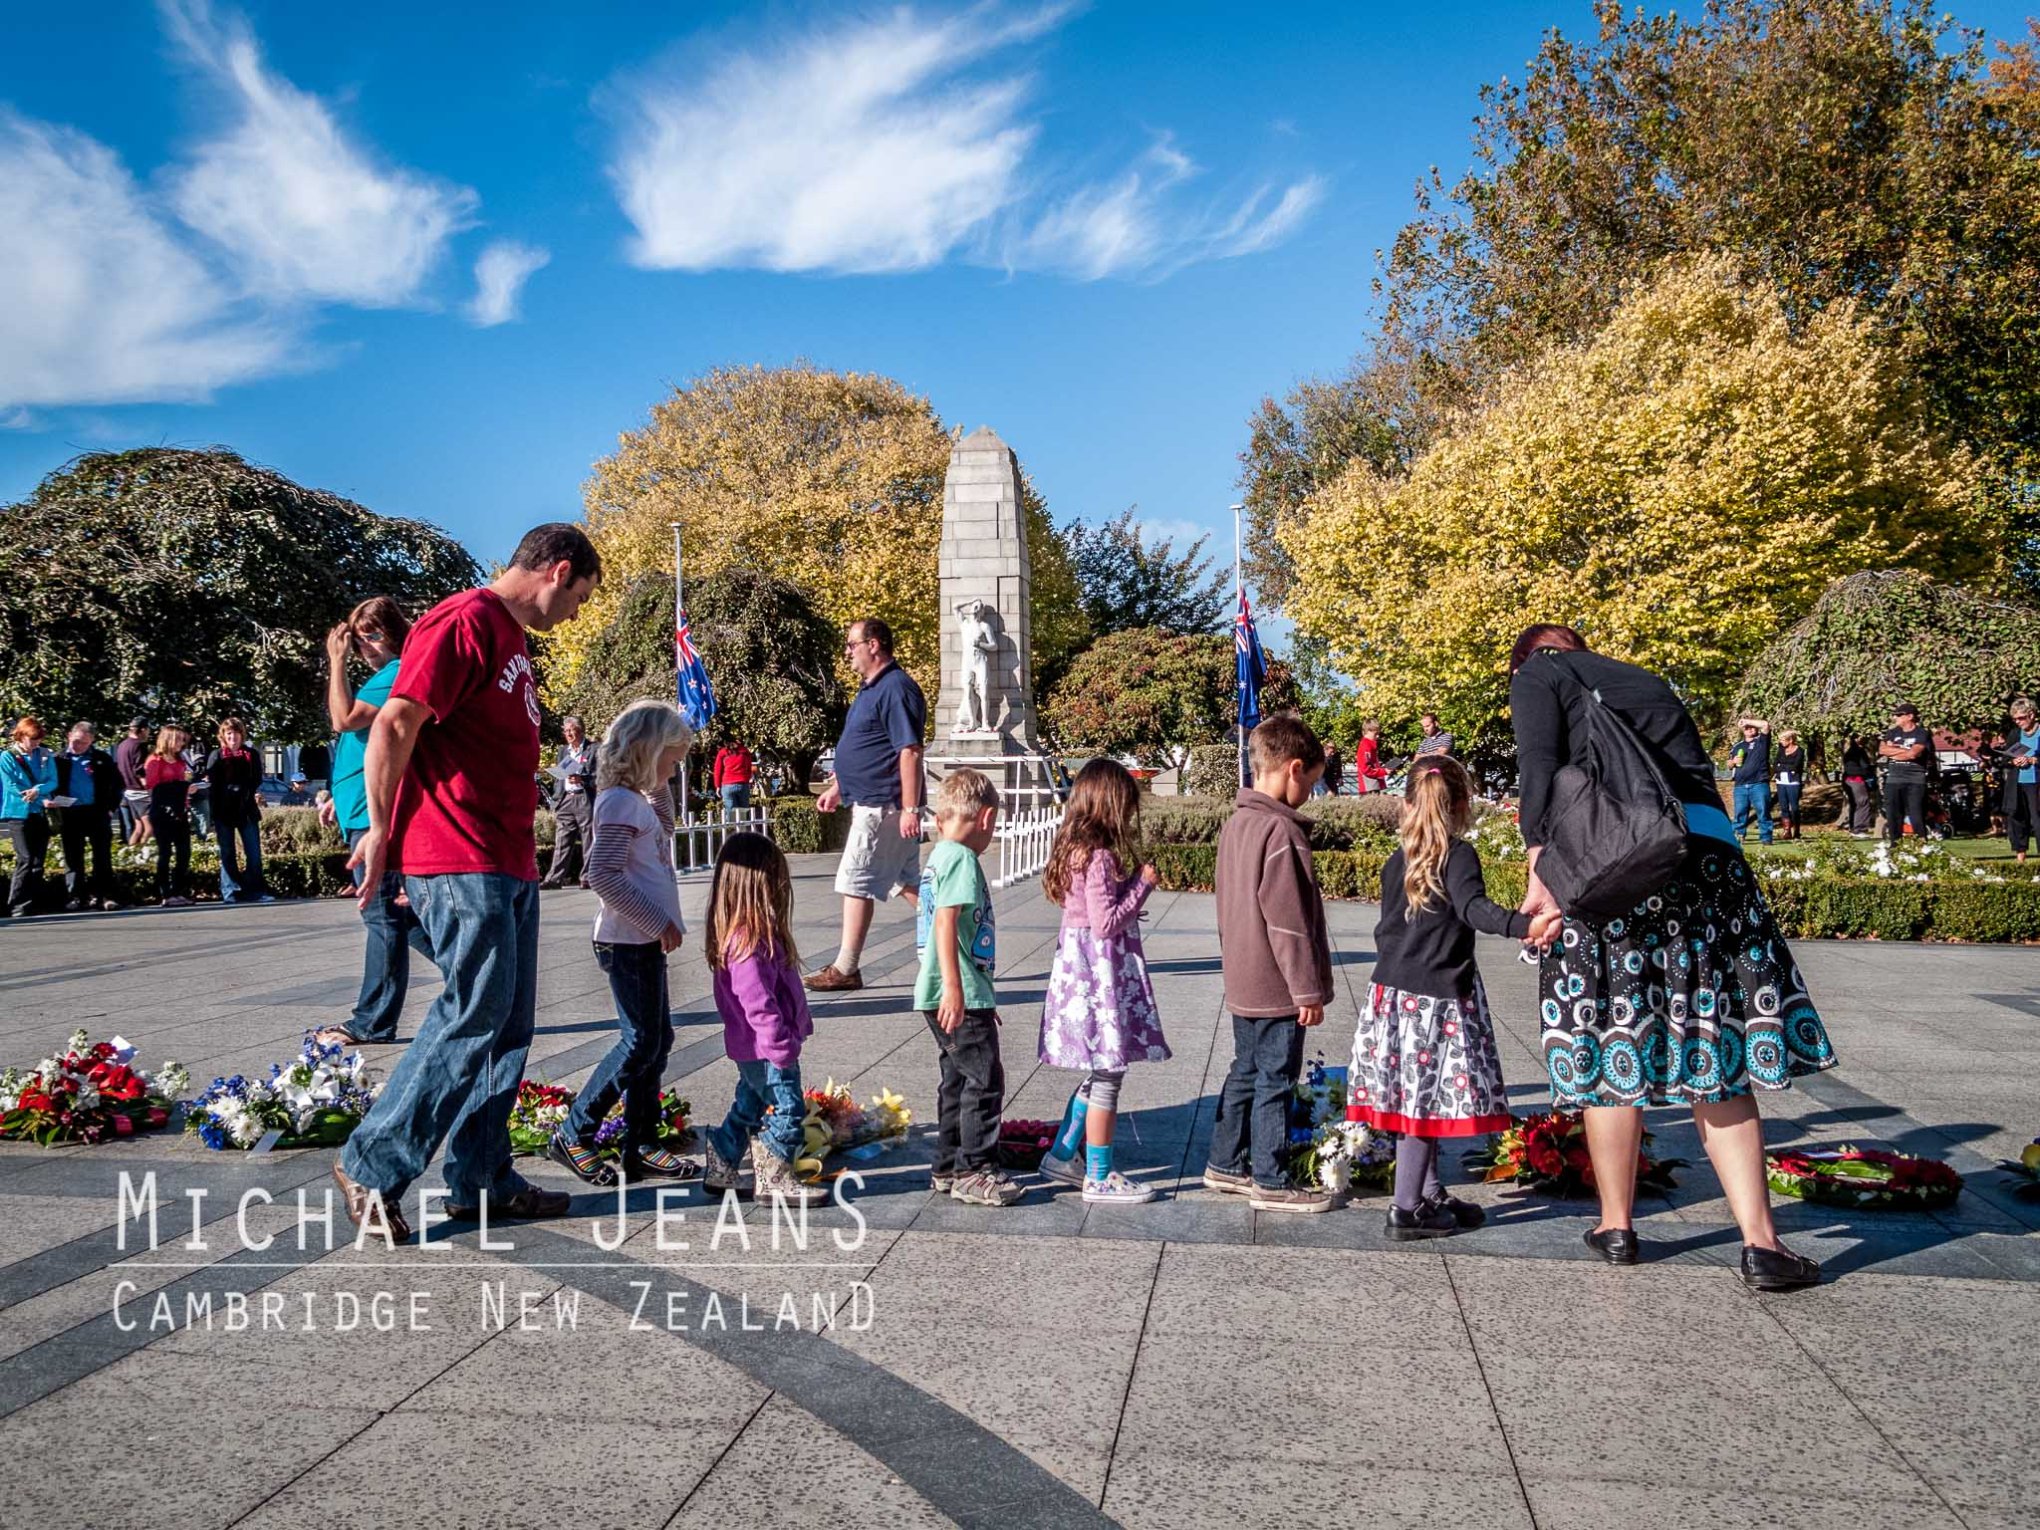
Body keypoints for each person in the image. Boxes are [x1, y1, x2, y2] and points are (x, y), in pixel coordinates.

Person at [1510, 623, 1832, 1291]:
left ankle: (1617, 1226)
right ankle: (1762, 1245)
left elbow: (1538, 771)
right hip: (1708, 869)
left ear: (1533, 656)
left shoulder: (1538, 674)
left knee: (1610, 1037)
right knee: (1714, 1054)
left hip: (1618, 870)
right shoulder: (1648, 681)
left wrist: (1541, 878)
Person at [331, 522, 601, 1243]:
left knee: (507, 1025)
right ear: (557, 570)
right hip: (456, 853)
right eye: (578, 597)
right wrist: (381, 831)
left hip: (505, 859)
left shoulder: (511, 639)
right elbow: (392, 725)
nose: (575, 613)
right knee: (473, 1011)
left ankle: (482, 1178)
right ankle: (371, 1162)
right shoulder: (464, 620)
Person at [1352, 755, 1552, 1238]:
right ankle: (1405, 1209)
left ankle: (1428, 1191)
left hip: (1393, 997)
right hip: (1436, 999)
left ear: (1406, 804)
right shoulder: (1458, 856)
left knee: (1417, 1096)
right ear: (1462, 805)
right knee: (1425, 1103)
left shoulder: (1396, 860)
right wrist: (1526, 926)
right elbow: (1473, 909)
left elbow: (1388, 929)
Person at [548, 700, 698, 1188]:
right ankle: (575, 1132)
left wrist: (660, 788)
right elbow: (602, 875)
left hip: (641, 940)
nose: (676, 769)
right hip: (626, 940)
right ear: (646, 752)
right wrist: (658, 921)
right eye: (671, 760)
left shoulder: (633, 799)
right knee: (638, 1042)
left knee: (657, 1040)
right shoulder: (615, 803)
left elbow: (665, 835)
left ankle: (642, 1143)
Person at [1203, 714, 1335, 1214]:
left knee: (1245, 1068)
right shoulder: (1281, 832)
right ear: (1294, 769)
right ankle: (1271, 1178)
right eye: (1313, 783)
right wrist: (1307, 989)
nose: (1310, 793)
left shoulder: (1237, 824)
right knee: (1276, 1077)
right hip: (1278, 982)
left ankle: (1225, 1161)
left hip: (1243, 974)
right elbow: (1288, 922)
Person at [1035, 759, 1167, 1205]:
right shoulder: (1099, 856)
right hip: (1098, 975)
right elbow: (1105, 922)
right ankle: (1099, 1174)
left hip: (1080, 971)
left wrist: (1127, 887)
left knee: (1100, 1068)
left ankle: (1063, 1154)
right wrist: (1143, 885)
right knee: (1109, 1071)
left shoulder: (1075, 848)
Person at [316, 598, 430, 1047]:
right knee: (406, 920)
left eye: (372, 634)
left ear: (394, 632)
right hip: (360, 812)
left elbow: (344, 720)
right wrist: (337, 800)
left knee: (381, 915)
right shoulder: (384, 676)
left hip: (373, 816)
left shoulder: (395, 673)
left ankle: (372, 1021)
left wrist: (336, 660)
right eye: (357, 637)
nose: (363, 645)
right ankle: (482, 987)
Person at [915, 767, 1021, 1206]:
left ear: (941, 819)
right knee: (984, 1079)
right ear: (988, 819)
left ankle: (947, 1163)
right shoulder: (960, 858)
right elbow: (946, 922)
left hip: (945, 991)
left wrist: (976, 991)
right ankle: (975, 1169)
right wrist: (958, 989)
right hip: (954, 993)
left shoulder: (938, 854)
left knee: (957, 1079)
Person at [700, 831, 824, 1206]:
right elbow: (757, 1003)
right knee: (787, 1107)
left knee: (749, 1105)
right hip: (767, 1048)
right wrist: (780, 1044)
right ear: (759, 885)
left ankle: (722, 1160)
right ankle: (775, 1174)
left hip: (756, 1047)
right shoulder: (747, 942)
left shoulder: (754, 934)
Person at [806, 618, 927, 993]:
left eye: (851, 644)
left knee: (855, 882)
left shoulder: (896, 688)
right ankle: (961, 937)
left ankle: (846, 968)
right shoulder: (871, 689)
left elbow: (908, 750)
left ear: (874, 645)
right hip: (872, 801)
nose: (847, 652)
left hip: (883, 807)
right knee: (906, 882)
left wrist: (909, 808)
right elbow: (868, 746)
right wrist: (840, 786)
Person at [54, 722, 122, 911]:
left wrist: (110, 808)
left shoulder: (101, 758)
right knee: (73, 857)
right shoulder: (59, 759)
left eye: (84, 743)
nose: (79, 746)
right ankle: (75, 896)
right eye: (76, 741)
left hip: (96, 811)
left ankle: (104, 896)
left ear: (92, 741)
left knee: (102, 856)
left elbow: (118, 785)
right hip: (70, 812)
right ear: (69, 736)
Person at [206, 717, 272, 905]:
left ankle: (255, 890)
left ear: (242, 735)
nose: (233, 737)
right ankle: (230, 891)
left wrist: (243, 789)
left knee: (253, 852)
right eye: (229, 734)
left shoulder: (250, 754)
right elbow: (213, 784)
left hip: (246, 809)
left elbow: (257, 779)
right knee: (227, 852)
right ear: (223, 736)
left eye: (236, 733)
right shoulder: (217, 755)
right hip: (223, 810)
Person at [1, 716, 58, 918]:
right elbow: (11, 784)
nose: (36, 743)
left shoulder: (44, 755)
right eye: (32, 739)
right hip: (18, 812)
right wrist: (33, 796)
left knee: (38, 860)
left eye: (38, 739)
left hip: (40, 812)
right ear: (21, 735)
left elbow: (53, 780)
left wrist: (39, 790)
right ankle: (15, 904)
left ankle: (32, 902)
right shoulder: (7, 756)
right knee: (25, 858)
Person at [540, 716, 597, 889]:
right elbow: (560, 774)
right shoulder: (563, 751)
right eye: (566, 730)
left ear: (580, 730)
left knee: (589, 839)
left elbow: (602, 775)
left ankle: (587, 877)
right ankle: (554, 879)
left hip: (584, 798)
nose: (568, 733)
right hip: (566, 799)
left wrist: (583, 778)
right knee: (562, 840)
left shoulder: (594, 749)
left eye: (571, 729)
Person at [143, 725, 195, 906]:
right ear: (168, 739)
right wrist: (181, 787)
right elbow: (153, 788)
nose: (181, 743)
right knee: (165, 853)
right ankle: (165, 893)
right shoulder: (155, 761)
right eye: (178, 739)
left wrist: (186, 795)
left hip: (180, 811)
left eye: (183, 739)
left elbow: (183, 783)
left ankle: (178, 890)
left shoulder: (181, 761)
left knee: (184, 853)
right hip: (162, 812)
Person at [1879, 703, 1933, 842]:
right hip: (1894, 778)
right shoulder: (1892, 732)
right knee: (1893, 815)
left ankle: (1922, 844)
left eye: (1899, 715)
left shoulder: (1921, 733)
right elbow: (1883, 750)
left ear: (1910, 716)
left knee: (1916, 814)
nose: (1895, 717)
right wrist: (1904, 751)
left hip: (1915, 779)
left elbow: (1914, 754)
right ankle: (1894, 845)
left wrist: (1895, 751)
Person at [1999, 697, 2040, 863]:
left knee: (2037, 821)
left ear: (2032, 714)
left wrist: (2033, 760)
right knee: (2016, 819)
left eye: (2021, 718)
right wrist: (2013, 761)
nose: (2018, 722)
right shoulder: (2015, 734)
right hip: (2017, 783)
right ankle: (2020, 858)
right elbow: (2005, 759)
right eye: (2015, 718)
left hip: (2036, 784)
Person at [1729, 718, 1773, 845]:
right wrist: (1733, 762)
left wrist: (1747, 721)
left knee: (1763, 811)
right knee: (1739, 813)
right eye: (1746, 728)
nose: (1749, 729)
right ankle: (1738, 836)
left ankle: (1766, 838)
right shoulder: (1737, 746)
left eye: (1752, 727)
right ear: (1743, 731)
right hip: (1740, 786)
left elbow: (1765, 725)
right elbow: (1729, 763)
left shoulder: (1761, 741)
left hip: (1759, 783)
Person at [113, 717, 151, 842]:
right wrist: (148, 789)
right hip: (140, 791)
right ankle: (143, 855)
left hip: (127, 790)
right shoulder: (140, 746)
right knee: (150, 828)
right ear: (143, 730)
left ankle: (131, 852)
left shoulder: (122, 745)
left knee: (138, 827)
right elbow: (140, 770)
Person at [1774, 730, 1807, 841]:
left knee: (1794, 807)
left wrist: (1783, 766)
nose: (1781, 742)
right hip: (1781, 782)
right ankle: (1787, 830)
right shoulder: (1781, 750)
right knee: (1783, 806)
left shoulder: (1800, 751)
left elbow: (1796, 766)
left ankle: (1796, 831)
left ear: (1791, 740)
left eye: (1783, 740)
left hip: (1793, 782)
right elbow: (1776, 765)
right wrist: (1784, 767)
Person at [1841, 735, 1875, 835]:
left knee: (1855, 804)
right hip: (1856, 780)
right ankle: (1860, 828)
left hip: (1849, 780)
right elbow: (1862, 767)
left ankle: (1853, 826)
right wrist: (1869, 771)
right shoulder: (1857, 752)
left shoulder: (1850, 752)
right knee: (1863, 803)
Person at [712, 738, 756, 816]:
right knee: (743, 813)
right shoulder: (745, 751)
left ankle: (732, 827)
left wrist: (717, 786)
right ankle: (742, 827)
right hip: (743, 784)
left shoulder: (723, 752)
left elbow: (718, 770)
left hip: (728, 785)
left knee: (731, 813)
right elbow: (749, 768)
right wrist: (747, 779)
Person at [1352, 719, 1389, 794]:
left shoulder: (1369, 745)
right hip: (1369, 786)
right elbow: (1366, 769)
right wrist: (1383, 771)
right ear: (1368, 731)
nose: (1378, 736)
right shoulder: (1366, 745)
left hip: (1372, 785)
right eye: (1375, 734)